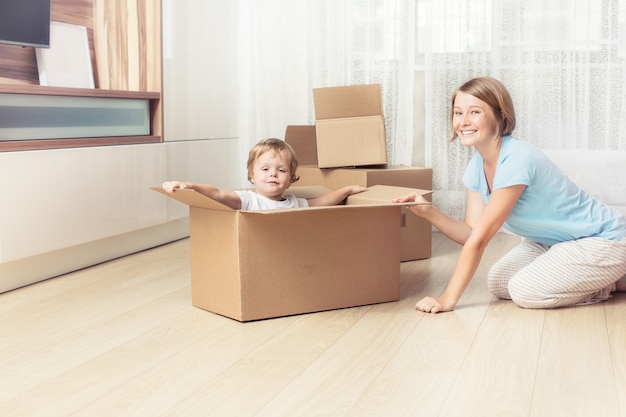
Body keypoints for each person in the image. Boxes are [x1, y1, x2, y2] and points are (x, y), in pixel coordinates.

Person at [394, 76, 626, 314]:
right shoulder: (476, 166)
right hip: (550, 242)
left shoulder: (517, 158)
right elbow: (471, 234)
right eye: (458, 113)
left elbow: (480, 240)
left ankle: (611, 279)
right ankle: (597, 273)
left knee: (524, 291)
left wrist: (447, 298)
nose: (463, 121)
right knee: (500, 283)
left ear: (501, 115)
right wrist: (430, 213)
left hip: (601, 240)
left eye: (474, 112)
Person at [163, 138, 366, 210]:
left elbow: (323, 202)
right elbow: (216, 194)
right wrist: (189, 186)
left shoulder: (294, 203)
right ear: (252, 175)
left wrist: (347, 189)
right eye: (265, 169)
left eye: (281, 170)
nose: (273, 174)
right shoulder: (247, 200)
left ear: (291, 178)